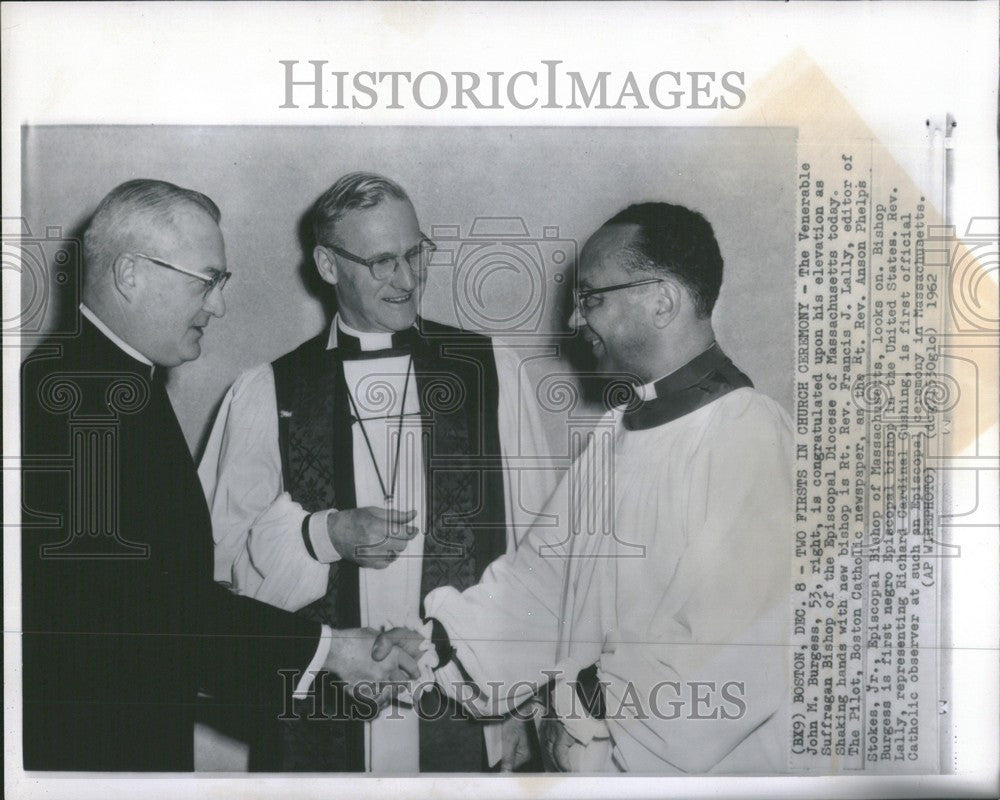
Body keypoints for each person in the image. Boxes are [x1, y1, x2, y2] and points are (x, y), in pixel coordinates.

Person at [380, 201, 794, 773]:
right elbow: (543, 581)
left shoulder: (747, 432)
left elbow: (729, 645)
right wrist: (437, 647)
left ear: (663, 300)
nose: (575, 322)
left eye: (592, 298)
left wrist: (574, 705)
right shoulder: (614, 431)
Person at [20, 179, 419, 772]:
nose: (219, 306)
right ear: (130, 274)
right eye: (207, 281)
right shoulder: (81, 401)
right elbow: (147, 612)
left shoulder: (105, 380)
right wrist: (330, 650)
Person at [198, 172, 557, 772]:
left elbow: (542, 555)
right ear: (328, 265)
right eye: (383, 261)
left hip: (466, 715)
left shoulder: (492, 372)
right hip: (317, 726)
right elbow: (224, 572)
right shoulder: (266, 392)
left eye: (417, 253)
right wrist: (322, 536)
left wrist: (529, 709)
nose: (409, 278)